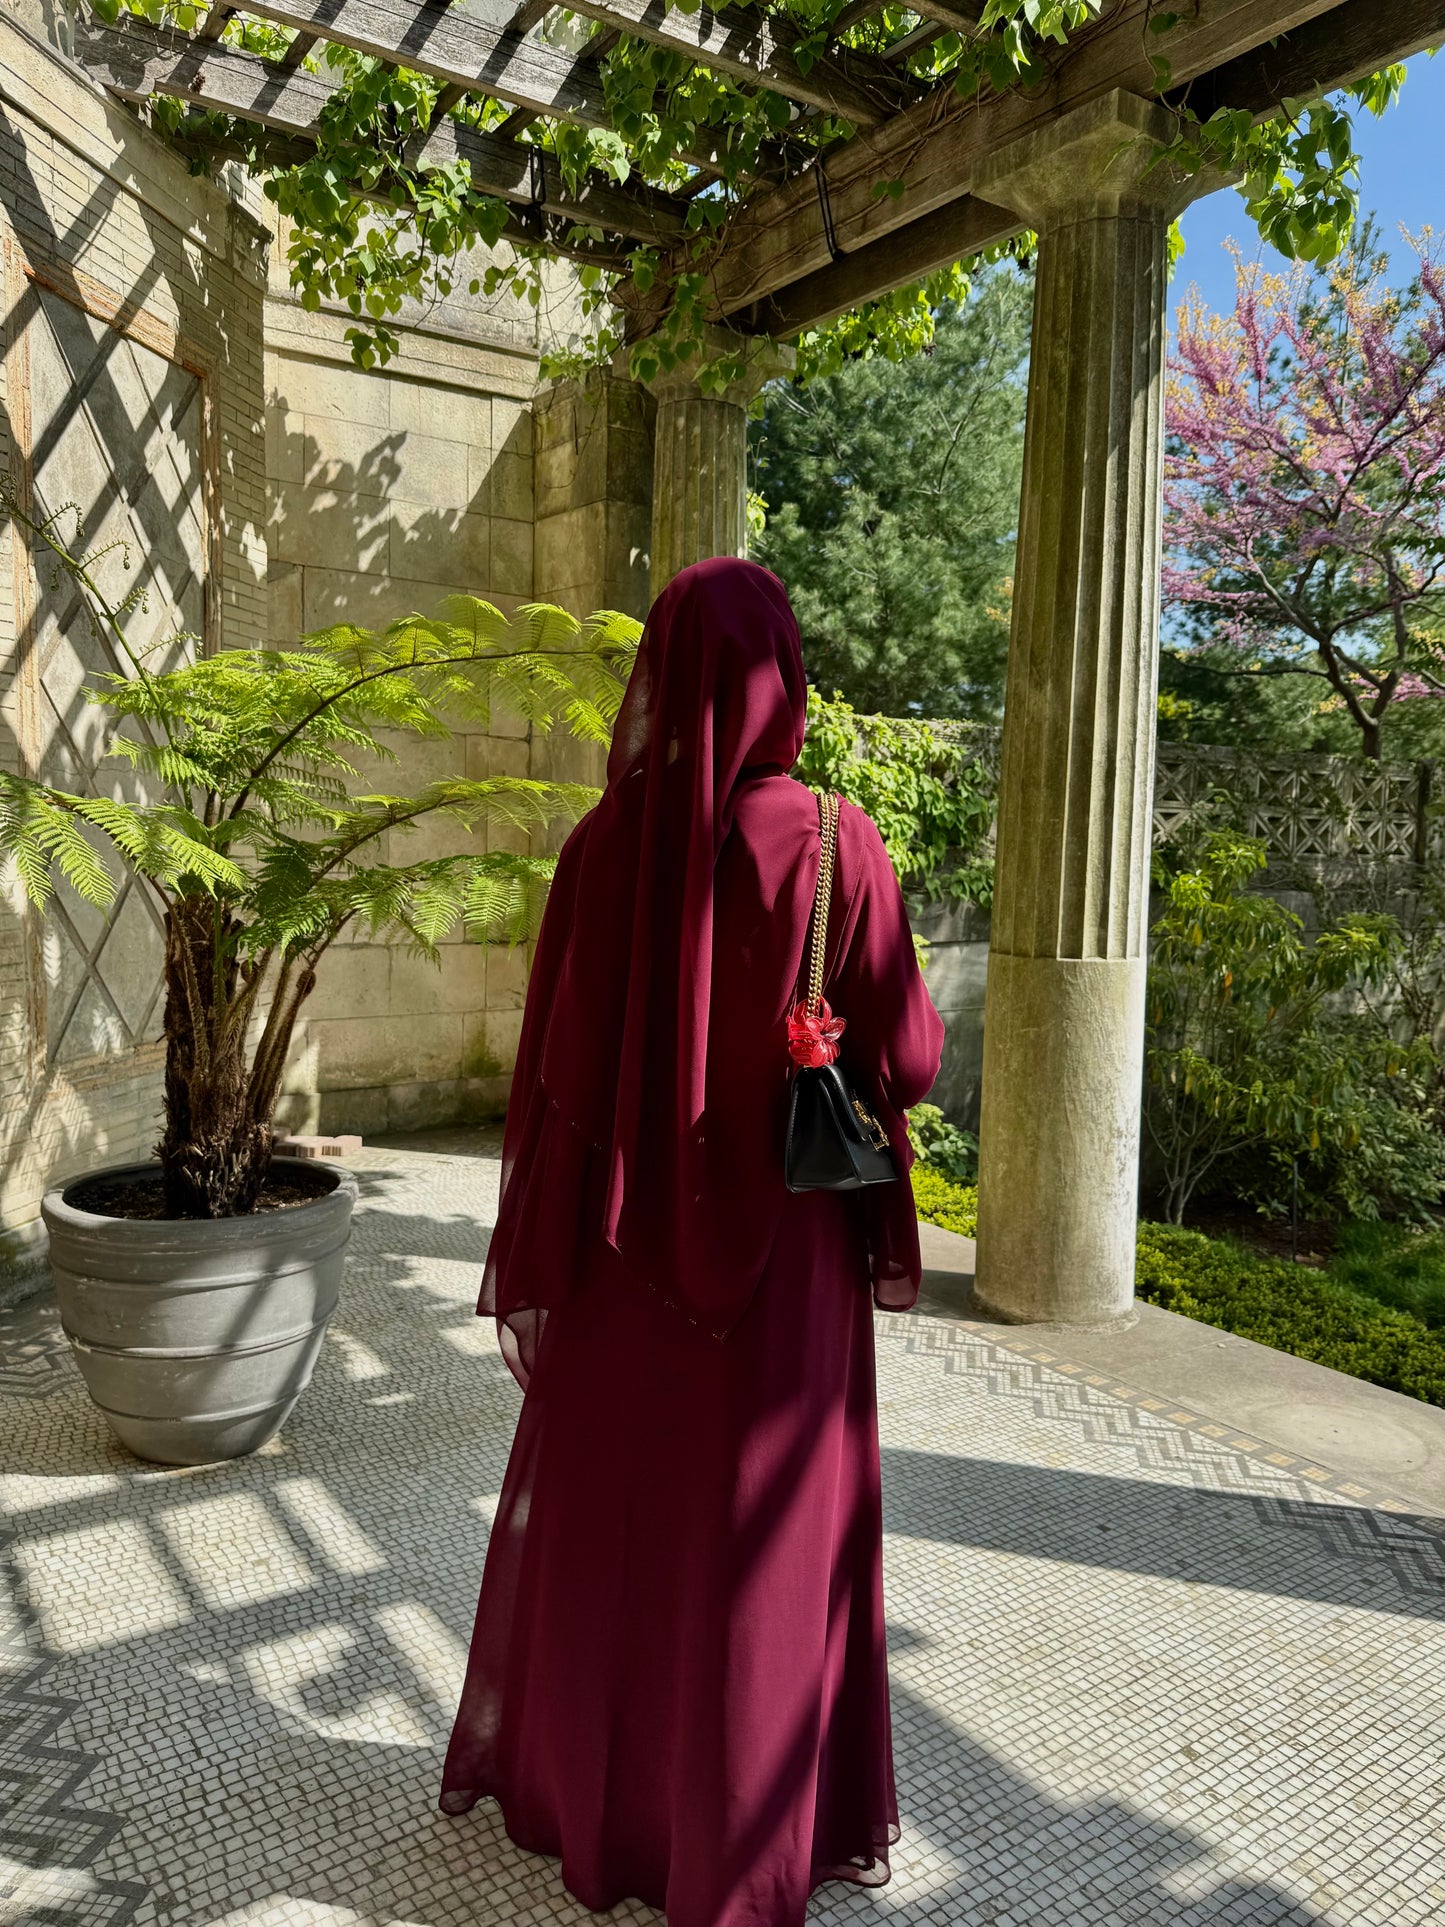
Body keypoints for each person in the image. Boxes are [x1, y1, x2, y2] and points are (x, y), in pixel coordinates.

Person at [440, 557, 944, 1927]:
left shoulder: (604, 848)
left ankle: (583, 1805)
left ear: (657, 677)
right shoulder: (840, 840)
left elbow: (551, 1072)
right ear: (784, 674)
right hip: (782, 1277)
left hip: (617, 1268)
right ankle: (749, 1834)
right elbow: (906, 1053)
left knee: (615, 1525)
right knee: (764, 1545)